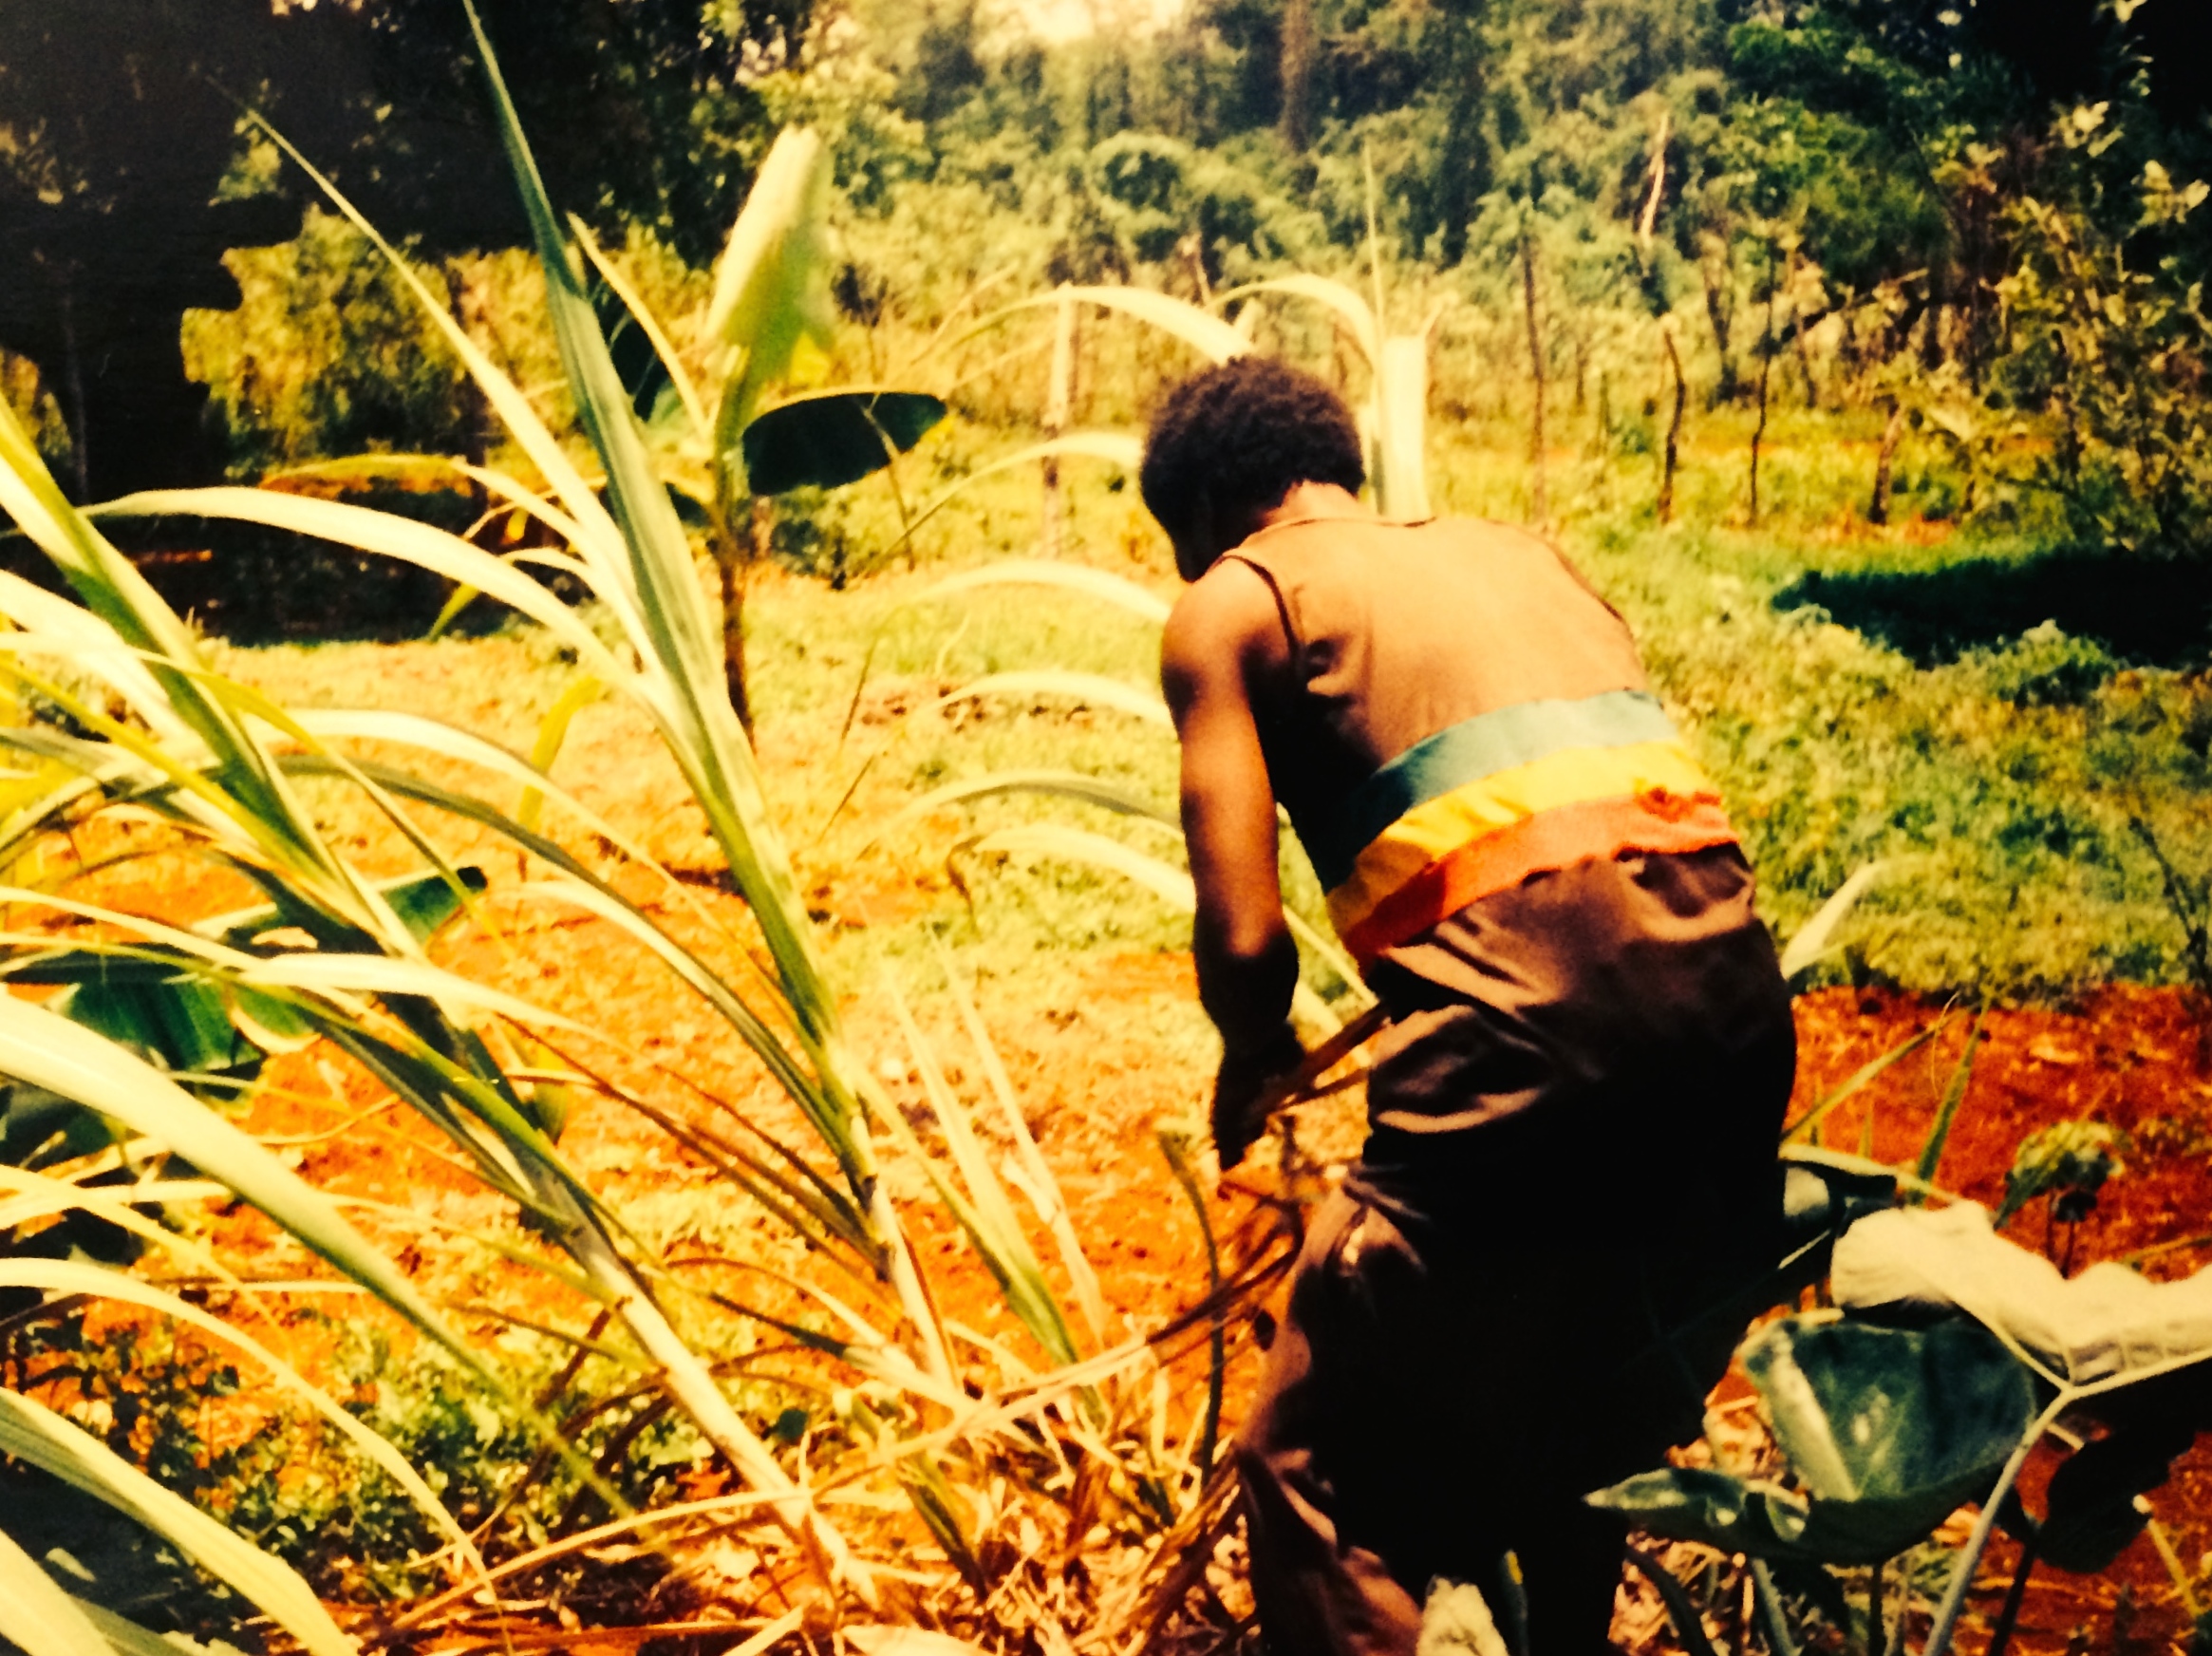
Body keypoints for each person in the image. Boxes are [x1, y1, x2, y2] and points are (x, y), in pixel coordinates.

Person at [1143, 355, 1796, 1656]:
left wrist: (1252, 1054)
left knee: (1310, 1476)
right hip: (1737, 1025)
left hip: (1525, 1055)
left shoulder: (1234, 604)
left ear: (1206, 510)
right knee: (1575, 1429)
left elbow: (1247, 943)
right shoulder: (1525, 557)